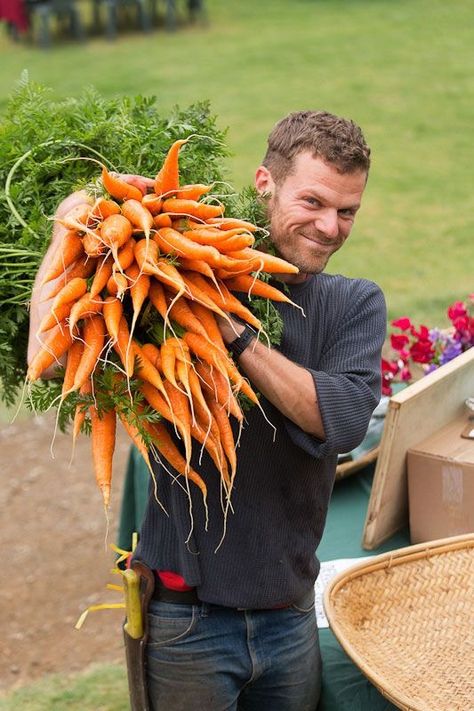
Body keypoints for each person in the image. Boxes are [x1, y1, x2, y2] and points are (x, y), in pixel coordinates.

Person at [28, 110, 386, 710]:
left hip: (290, 615)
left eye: (346, 211)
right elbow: (51, 354)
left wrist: (232, 333)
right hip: (186, 622)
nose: (330, 227)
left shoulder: (352, 304)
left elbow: (344, 422)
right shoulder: (169, 279)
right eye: (313, 203)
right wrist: (69, 226)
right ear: (263, 184)